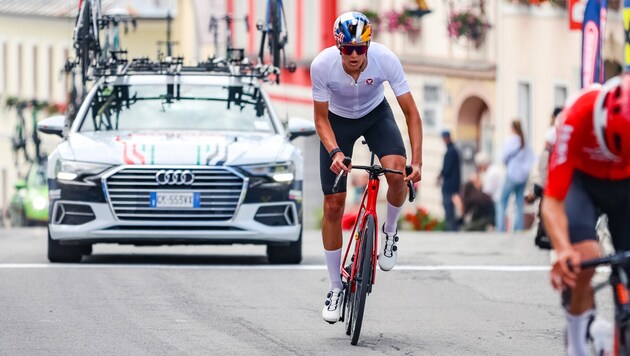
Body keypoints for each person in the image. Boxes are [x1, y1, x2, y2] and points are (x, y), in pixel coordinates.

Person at [310, 11, 423, 324]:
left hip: (376, 116)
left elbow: (412, 113)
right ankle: (335, 287)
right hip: (337, 122)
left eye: (361, 48)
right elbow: (320, 118)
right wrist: (334, 151)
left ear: (369, 46)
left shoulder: (385, 60)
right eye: (348, 49)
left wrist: (418, 160)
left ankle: (389, 231)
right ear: (338, 48)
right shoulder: (322, 65)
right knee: (333, 206)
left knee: (396, 171)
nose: (355, 55)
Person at [542, 74, 630, 355]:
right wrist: (563, 249)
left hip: (625, 185)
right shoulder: (578, 114)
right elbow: (552, 201)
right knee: (584, 259)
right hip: (582, 182)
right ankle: (577, 342)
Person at [524, 107, 563, 249]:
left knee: (546, 206)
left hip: (551, 178)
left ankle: (546, 234)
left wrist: (537, 186)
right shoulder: (564, 132)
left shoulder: (552, 133)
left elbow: (544, 162)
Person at [496, 120, 535, 232]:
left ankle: (501, 228)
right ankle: (519, 228)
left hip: (512, 175)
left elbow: (502, 158)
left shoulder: (511, 141)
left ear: (512, 128)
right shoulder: (525, 143)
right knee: (519, 203)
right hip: (523, 177)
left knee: (502, 201)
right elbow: (532, 159)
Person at [437, 130, 461, 231]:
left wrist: (439, 176)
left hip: (449, 185)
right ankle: (451, 227)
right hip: (452, 184)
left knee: (448, 206)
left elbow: (446, 169)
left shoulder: (451, 151)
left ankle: (451, 228)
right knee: (449, 206)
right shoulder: (452, 150)